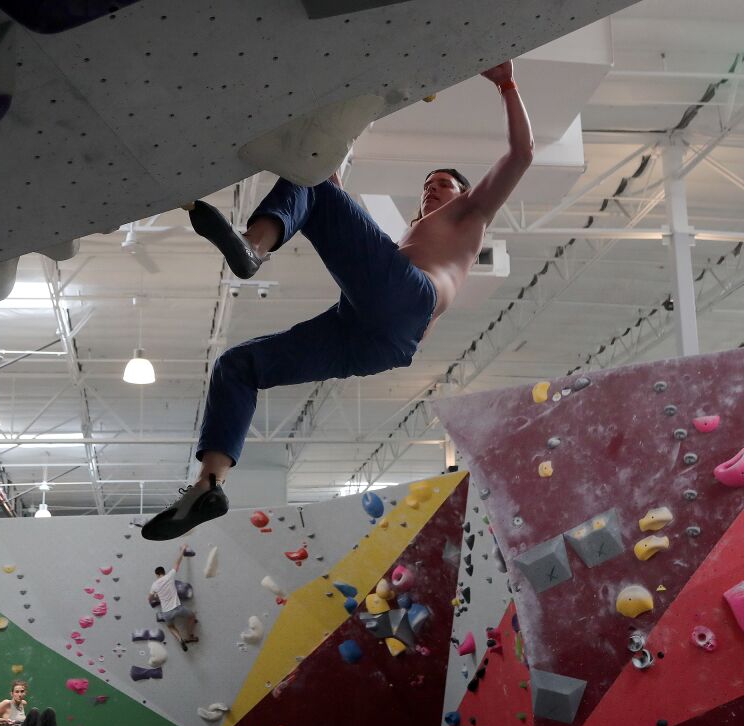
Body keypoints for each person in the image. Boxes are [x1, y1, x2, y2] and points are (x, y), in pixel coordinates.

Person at [141, 60, 533, 542]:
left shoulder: (471, 216)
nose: (432, 187)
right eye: (428, 184)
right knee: (238, 366)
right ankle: (209, 484)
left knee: (315, 178)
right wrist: (332, 146)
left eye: (444, 183)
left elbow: (521, 154)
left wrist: (507, 84)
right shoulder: (408, 243)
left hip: (406, 307)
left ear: (465, 193)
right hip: (374, 339)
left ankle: (254, 245)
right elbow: (330, 202)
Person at [149, 544, 199, 650]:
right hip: (177, 608)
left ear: (157, 574)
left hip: (166, 612)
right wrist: (183, 549)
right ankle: (189, 636)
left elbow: (149, 599)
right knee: (192, 616)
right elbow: (177, 562)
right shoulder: (169, 576)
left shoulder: (154, 584)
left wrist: (156, 597)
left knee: (171, 626)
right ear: (163, 572)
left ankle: (179, 638)